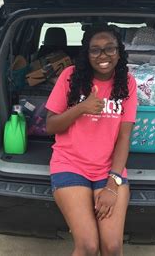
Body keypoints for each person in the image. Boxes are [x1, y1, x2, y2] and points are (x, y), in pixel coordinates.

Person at [45, 25, 137, 255]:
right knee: (88, 246)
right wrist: (82, 108)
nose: (103, 55)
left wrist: (112, 184)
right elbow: (50, 126)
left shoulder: (127, 82)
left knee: (113, 247)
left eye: (109, 49)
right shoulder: (70, 77)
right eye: (95, 50)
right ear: (86, 53)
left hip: (108, 169)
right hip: (70, 165)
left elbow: (125, 136)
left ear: (119, 52)